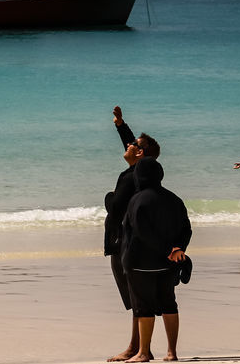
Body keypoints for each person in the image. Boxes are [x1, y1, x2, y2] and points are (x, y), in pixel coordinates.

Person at [105, 106, 162, 362]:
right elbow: (132, 144)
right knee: (135, 297)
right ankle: (136, 346)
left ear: (139, 153)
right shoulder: (140, 173)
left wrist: (108, 199)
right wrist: (120, 124)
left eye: (133, 146)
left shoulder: (131, 178)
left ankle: (139, 349)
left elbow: (116, 208)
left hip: (123, 243)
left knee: (135, 297)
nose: (127, 146)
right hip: (129, 242)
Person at [122, 158, 192, 363]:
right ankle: (172, 352)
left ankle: (143, 352)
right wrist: (178, 249)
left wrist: (167, 249)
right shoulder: (174, 199)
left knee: (143, 306)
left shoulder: (137, 200)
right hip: (168, 263)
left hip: (139, 263)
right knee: (169, 303)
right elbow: (186, 228)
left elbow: (141, 232)